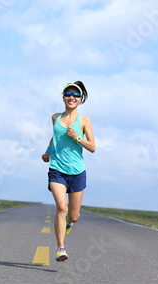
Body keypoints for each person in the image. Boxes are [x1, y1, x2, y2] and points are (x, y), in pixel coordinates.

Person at [42, 81, 96, 262]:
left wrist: (77, 137)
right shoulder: (55, 117)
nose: (71, 97)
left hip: (77, 171)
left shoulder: (85, 121)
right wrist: (48, 152)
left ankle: (69, 224)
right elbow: (55, 137)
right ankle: (60, 248)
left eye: (76, 95)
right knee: (61, 207)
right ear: (63, 97)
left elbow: (93, 147)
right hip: (57, 169)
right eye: (68, 94)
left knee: (73, 215)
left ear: (80, 99)